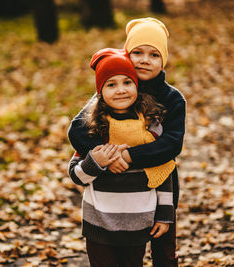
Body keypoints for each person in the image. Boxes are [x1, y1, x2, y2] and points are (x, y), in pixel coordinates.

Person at [68, 18, 186, 267]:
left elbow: (172, 144)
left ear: (163, 60)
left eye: (154, 54)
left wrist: (128, 156)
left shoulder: (172, 98)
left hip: (159, 175)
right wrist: (104, 158)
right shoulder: (114, 86)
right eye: (137, 52)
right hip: (115, 192)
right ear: (126, 54)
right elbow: (77, 130)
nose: (145, 59)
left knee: (164, 251)